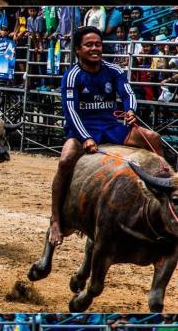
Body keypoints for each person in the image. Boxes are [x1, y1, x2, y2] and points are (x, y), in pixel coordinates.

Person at [49, 26, 172, 247]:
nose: (95, 48)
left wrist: (130, 111)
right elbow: (70, 111)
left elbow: (127, 93)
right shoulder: (72, 75)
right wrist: (85, 138)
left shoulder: (114, 69)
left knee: (152, 137)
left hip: (110, 125)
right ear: (78, 50)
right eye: (89, 45)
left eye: (98, 44)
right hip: (81, 127)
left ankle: (167, 186)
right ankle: (56, 219)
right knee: (65, 160)